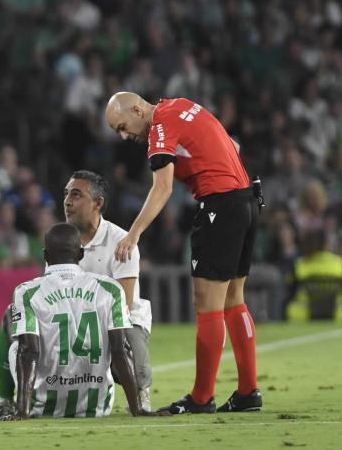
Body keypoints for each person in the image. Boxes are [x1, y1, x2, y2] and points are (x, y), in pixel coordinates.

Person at [105, 92, 262, 414]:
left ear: (137, 109)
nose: (124, 135)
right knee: (234, 299)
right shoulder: (181, 105)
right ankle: (248, 392)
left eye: (122, 126)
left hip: (220, 203)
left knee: (207, 304)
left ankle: (202, 398)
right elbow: (232, 146)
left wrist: (133, 235)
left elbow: (162, 186)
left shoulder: (159, 126)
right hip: (247, 200)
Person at [0, 170, 154, 416]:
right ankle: (5, 397)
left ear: (98, 203)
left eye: (76, 195)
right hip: (76, 318)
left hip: (117, 320)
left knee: (128, 347)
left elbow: (126, 304)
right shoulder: (62, 239)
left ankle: (141, 394)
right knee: (14, 316)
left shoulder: (121, 241)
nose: (67, 201)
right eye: (66, 194)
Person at [0, 223, 145, 419]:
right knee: (115, 344)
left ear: (45, 255)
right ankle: (133, 403)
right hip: (97, 407)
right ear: (81, 254)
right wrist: (137, 409)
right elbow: (121, 350)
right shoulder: (110, 289)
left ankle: (8, 401)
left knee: (17, 344)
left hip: (42, 408)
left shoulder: (26, 292)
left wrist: (23, 413)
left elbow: (29, 352)